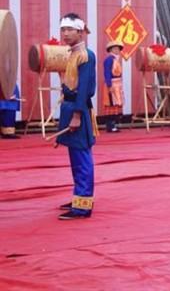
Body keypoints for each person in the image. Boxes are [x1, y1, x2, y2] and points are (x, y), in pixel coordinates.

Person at [55, 13, 97, 220]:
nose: (65, 33)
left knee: (81, 157)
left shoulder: (86, 55)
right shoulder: (73, 53)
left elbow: (84, 90)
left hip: (77, 108)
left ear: (81, 32)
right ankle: (79, 196)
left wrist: (77, 115)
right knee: (75, 157)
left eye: (70, 29)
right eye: (63, 29)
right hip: (70, 106)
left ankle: (83, 205)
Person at [102, 40, 124, 133]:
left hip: (117, 84)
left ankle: (114, 124)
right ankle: (110, 126)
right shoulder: (109, 60)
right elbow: (107, 73)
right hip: (112, 84)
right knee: (111, 104)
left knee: (116, 104)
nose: (117, 50)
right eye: (115, 49)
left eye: (118, 49)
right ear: (110, 50)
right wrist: (109, 85)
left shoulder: (116, 60)